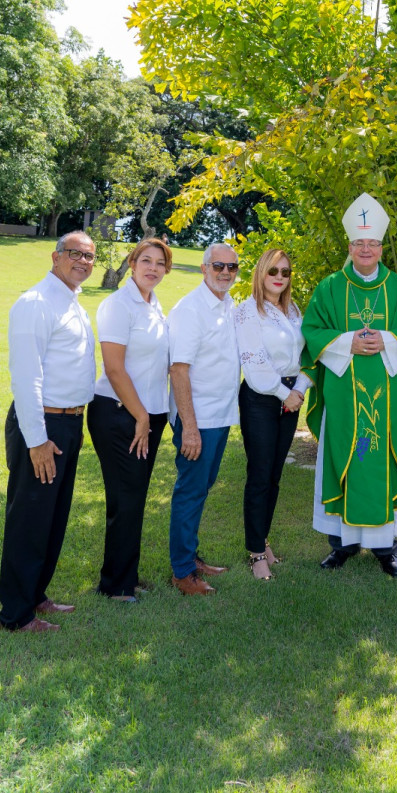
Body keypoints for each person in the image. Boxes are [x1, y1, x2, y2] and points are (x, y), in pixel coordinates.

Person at [302, 193, 397, 576]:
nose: (366, 249)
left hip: (385, 397)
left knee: (381, 462)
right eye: (359, 243)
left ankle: (386, 549)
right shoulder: (329, 288)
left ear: (381, 246)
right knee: (344, 460)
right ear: (350, 246)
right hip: (342, 399)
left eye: (372, 243)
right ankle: (341, 546)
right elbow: (312, 330)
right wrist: (347, 342)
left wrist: (387, 339)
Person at [0, 231, 97, 632]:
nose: (83, 261)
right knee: (29, 519)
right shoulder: (35, 303)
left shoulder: (71, 300)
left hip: (70, 422)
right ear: (54, 256)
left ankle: (36, 595)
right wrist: (37, 441)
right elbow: (26, 377)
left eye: (90, 256)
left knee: (52, 518)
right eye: (75, 253)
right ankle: (16, 615)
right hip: (42, 424)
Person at [87, 238, 172, 602]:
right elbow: (114, 369)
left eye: (160, 263)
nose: (153, 268)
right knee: (124, 497)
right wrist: (140, 417)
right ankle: (115, 586)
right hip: (121, 414)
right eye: (146, 260)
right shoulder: (118, 306)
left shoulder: (153, 305)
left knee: (133, 497)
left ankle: (126, 575)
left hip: (148, 415)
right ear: (132, 263)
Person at [167, 242, 240, 595]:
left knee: (201, 489)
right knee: (190, 492)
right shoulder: (190, 310)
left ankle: (191, 556)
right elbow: (178, 371)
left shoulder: (229, 306)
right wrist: (190, 429)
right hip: (198, 421)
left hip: (220, 416)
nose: (226, 272)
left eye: (232, 267)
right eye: (218, 266)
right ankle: (182, 573)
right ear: (204, 268)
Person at [234, 248, 310, 581]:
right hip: (262, 399)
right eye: (273, 271)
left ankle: (262, 540)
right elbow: (254, 364)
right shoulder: (248, 312)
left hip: (291, 397)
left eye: (286, 272)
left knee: (276, 474)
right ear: (261, 273)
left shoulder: (293, 310)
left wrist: (300, 390)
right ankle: (254, 554)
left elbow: (308, 355)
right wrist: (285, 394)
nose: (279, 277)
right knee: (260, 473)